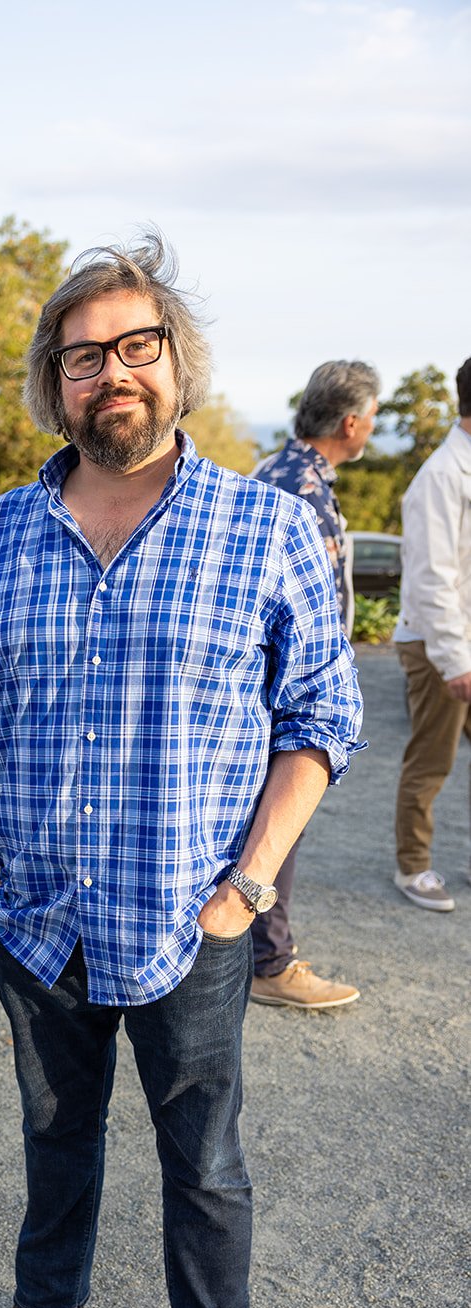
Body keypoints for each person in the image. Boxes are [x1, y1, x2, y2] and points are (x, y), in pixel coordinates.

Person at [0, 234, 363, 1308]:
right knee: (54, 1130)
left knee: (204, 1159)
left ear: (174, 363)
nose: (107, 373)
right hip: (36, 914)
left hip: (191, 917)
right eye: (80, 357)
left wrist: (246, 888)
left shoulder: (265, 527)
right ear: (51, 385)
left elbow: (318, 719)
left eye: (133, 347)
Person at [249, 360, 379, 1007]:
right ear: (350, 421)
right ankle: (269, 964)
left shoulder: (277, 470)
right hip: (285, 689)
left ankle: (257, 953)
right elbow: (305, 608)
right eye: (372, 419)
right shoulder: (300, 486)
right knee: (279, 817)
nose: (371, 431)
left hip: (270, 682)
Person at [393, 356, 471, 911]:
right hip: (438, 643)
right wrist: (455, 661)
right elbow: (431, 577)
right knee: (431, 761)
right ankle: (413, 868)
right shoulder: (442, 476)